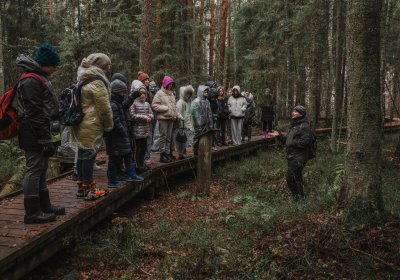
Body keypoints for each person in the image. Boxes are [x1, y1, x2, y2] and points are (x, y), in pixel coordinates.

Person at [15, 42, 65, 224]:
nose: (55, 69)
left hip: (40, 131)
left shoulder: (38, 77)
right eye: (54, 65)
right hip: (32, 132)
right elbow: (34, 112)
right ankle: (32, 212)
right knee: (34, 169)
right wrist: (44, 139)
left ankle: (45, 206)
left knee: (42, 168)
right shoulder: (30, 80)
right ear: (46, 63)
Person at [71, 53, 113, 201]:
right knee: (88, 156)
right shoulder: (97, 81)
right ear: (101, 66)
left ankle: (81, 188)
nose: (109, 68)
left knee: (82, 155)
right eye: (107, 65)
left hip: (81, 121)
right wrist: (109, 125)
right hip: (92, 122)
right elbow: (104, 107)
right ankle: (89, 190)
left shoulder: (83, 77)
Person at [105, 80, 144, 188]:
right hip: (115, 138)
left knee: (128, 155)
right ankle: (112, 181)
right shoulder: (113, 104)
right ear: (117, 92)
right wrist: (123, 131)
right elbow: (115, 121)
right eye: (122, 92)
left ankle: (131, 174)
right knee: (114, 160)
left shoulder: (118, 102)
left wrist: (132, 96)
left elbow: (124, 105)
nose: (124, 94)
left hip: (122, 136)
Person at [277, 105, 314, 200]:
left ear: (301, 114)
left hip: (299, 158)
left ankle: (298, 199)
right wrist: (279, 136)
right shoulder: (295, 125)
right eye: (293, 111)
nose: (293, 113)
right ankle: (301, 198)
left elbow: (306, 142)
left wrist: (291, 142)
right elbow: (288, 139)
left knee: (290, 178)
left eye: (296, 111)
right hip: (292, 156)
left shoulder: (304, 126)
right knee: (296, 178)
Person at [151, 76, 183, 163]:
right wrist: (165, 108)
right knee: (163, 137)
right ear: (165, 84)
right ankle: (162, 155)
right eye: (169, 84)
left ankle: (168, 153)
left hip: (171, 119)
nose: (170, 86)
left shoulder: (172, 94)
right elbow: (154, 105)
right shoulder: (159, 93)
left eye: (172, 84)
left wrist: (179, 115)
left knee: (169, 137)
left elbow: (175, 107)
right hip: (163, 119)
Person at [130, 85, 154, 171]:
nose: (143, 95)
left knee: (144, 148)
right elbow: (132, 115)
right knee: (138, 148)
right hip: (137, 131)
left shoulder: (147, 103)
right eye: (141, 93)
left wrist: (150, 117)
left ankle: (142, 164)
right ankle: (138, 165)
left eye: (144, 93)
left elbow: (151, 113)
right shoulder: (134, 103)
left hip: (145, 130)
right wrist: (144, 118)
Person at [191, 85, 213, 156]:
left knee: (205, 137)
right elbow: (195, 115)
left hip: (206, 123)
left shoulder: (207, 101)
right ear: (201, 92)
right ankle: (195, 149)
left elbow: (209, 113)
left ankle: (202, 149)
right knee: (197, 137)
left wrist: (210, 123)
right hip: (199, 124)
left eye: (207, 92)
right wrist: (199, 123)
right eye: (204, 92)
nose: (206, 93)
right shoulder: (196, 102)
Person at [176, 85, 195, 159]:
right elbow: (178, 112)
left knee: (185, 140)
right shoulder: (180, 102)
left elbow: (189, 113)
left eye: (189, 94)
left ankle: (183, 153)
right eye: (187, 93)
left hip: (187, 124)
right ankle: (181, 154)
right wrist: (180, 123)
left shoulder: (189, 102)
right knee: (181, 140)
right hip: (181, 124)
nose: (188, 95)